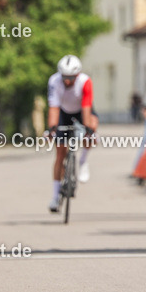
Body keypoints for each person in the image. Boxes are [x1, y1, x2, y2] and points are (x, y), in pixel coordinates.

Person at [46, 55, 98, 212]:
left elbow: (86, 106)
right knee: (60, 154)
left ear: (77, 75)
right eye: (65, 77)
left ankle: (83, 161)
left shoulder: (85, 81)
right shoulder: (54, 81)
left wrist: (88, 129)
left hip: (82, 110)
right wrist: (52, 128)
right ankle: (55, 197)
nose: (67, 81)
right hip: (63, 113)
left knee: (92, 128)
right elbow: (53, 107)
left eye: (71, 78)